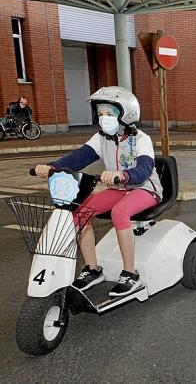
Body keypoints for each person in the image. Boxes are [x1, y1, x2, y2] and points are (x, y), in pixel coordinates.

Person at [34, 87, 162, 297]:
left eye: (110, 114)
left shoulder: (141, 139)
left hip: (145, 188)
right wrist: (52, 167)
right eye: (101, 114)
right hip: (118, 189)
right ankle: (93, 269)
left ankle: (130, 273)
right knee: (80, 211)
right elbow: (79, 157)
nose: (104, 119)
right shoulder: (102, 138)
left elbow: (144, 169)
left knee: (119, 212)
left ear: (126, 115)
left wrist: (124, 176)